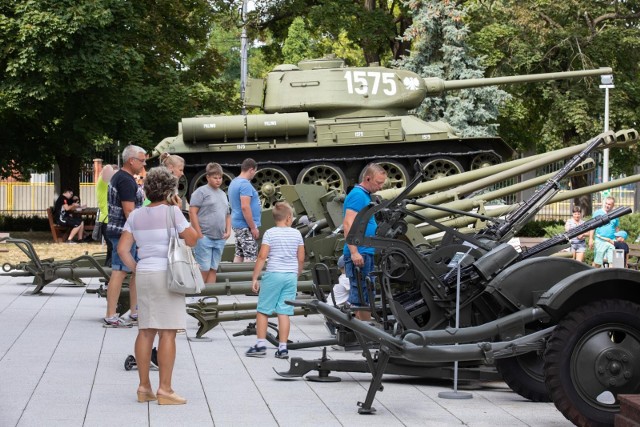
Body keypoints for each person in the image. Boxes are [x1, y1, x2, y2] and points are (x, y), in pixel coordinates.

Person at [117, 166, 198, 405]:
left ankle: (144, 388)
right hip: (167, 274)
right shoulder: (172, 212)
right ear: (170, 190)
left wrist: (136, 267)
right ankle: (165, 389)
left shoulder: (136, 215)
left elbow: (122, 249)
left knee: (145, 330)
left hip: (145, 272)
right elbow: (192, 239)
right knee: (168, 332)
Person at [245, 201, 304, 359]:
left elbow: (262, 256)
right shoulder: (297, 234)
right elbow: (301, 257)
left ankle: (260, 345)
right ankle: (283, 348)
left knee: (263, 310)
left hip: (273, 274)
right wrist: (296, 273)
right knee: (284, 312)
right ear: (289, 218)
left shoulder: (270, 233)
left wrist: (255, 277)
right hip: (290, 275)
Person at [104, 145, 146, 327]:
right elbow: (129, 211)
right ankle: (111, 314)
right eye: (142, 160)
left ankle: (135, 311)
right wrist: (139, 234)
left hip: (122, 231)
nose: (144, 163)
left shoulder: (121, 177)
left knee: (136, 271)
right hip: (124, 233)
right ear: (131, 160)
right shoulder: (126, 181)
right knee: (119, 272)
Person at [342, 163, 387, 321]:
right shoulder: (358, 196)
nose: (380, 187)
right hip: (360, 252)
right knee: (363, 296)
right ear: (368, 178)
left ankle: (363, 333)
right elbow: (348, 224)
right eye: (378, 183)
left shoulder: (364, 195)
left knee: (365, 295)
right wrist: (354, 252)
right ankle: (364, 334)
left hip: (364, 251)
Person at [189, 163, 231, 283]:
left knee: (213, 268)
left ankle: (210, 297)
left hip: (220, 238)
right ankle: (198, 296)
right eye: (215, 178)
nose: (218, 181)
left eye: (220, 178)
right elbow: (192, 212)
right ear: (208, 177)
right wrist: (199, 233)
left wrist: (228, 231)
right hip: (205, 237)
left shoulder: (223, 194)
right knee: (204, 268)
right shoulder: (200, 192)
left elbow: (227, 214)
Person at [228, 158, 261, 262]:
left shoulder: (234, 182)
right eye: (254, 171)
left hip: (238, 224)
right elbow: (245, 207)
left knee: (240, 254)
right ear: (251, 169)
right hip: (245, 226)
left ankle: (235, 277)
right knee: (250, 256)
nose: (254, 174)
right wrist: (253, 227)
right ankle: (249, 277)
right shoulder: (245, 184)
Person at [95, 164, 118, 266]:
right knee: (114, 250)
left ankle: (108, 278)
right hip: (107, 221)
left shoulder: (112, 186)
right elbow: (107, 168)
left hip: (111, 222)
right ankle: (110, 278)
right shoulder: (103, 183)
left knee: (111, 251)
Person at [589, 196, 619, 268]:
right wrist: (590, 238)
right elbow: (592, 227)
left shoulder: (615, 214)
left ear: (613, 205)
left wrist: (618, 239)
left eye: (609, 204)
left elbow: (617, 228)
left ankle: (611, 278)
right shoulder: (597, 213)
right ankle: (593, 275)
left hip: (611, 241)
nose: (607, 205)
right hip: (600, 240)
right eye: (606, 203)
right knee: (597, 263)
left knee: (612, 262)